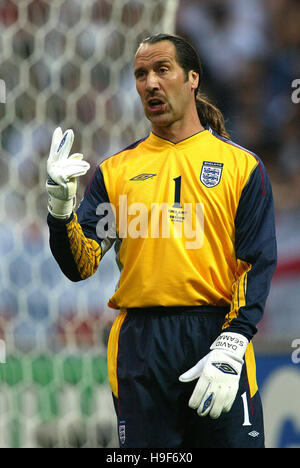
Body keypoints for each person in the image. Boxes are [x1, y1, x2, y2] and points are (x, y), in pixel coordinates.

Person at [46, 33, 277, 448]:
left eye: (161, 70)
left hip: (217, 335)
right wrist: (61, 209)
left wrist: (233, 341)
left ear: (192, 79)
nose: (150, 83)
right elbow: (80, 265)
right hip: (141, 346)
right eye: (140, 74)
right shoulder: (116, 172)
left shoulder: (242, 167)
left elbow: (256, 263)